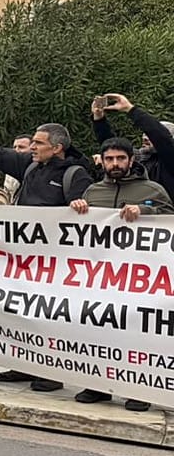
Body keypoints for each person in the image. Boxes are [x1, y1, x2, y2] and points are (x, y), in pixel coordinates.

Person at [0, 111, 93, 392]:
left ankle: (50, 372)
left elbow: (86, 217)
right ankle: (24, 364)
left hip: (55, 263)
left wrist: (80, 208)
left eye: (38, 143)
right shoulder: (30, 166)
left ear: (57, 148)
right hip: (24, 259)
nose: (32, 147)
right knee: (23, 312)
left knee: (50, 316)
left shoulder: (76, 174)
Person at [67, 137, 171, 411]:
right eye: (110, 159)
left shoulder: (153, 189)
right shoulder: (92, 191)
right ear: (102, 161)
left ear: (131, 160)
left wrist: (146, 210)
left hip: (140, 278)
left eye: (120, 159)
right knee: (98, 331)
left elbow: (170, 219)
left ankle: (139, 389)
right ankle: (98, 386)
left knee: (136, 333)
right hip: (100, 277)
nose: (115, 164)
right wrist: (77, 210)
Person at [92, 92, 174, 201]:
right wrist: (99, 119)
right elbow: (113, 147)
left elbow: (159, 135)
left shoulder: (170, 162)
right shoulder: (140, 160)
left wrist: (130, 109)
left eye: (149, 136)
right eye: (144, 135)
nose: (145, 138)